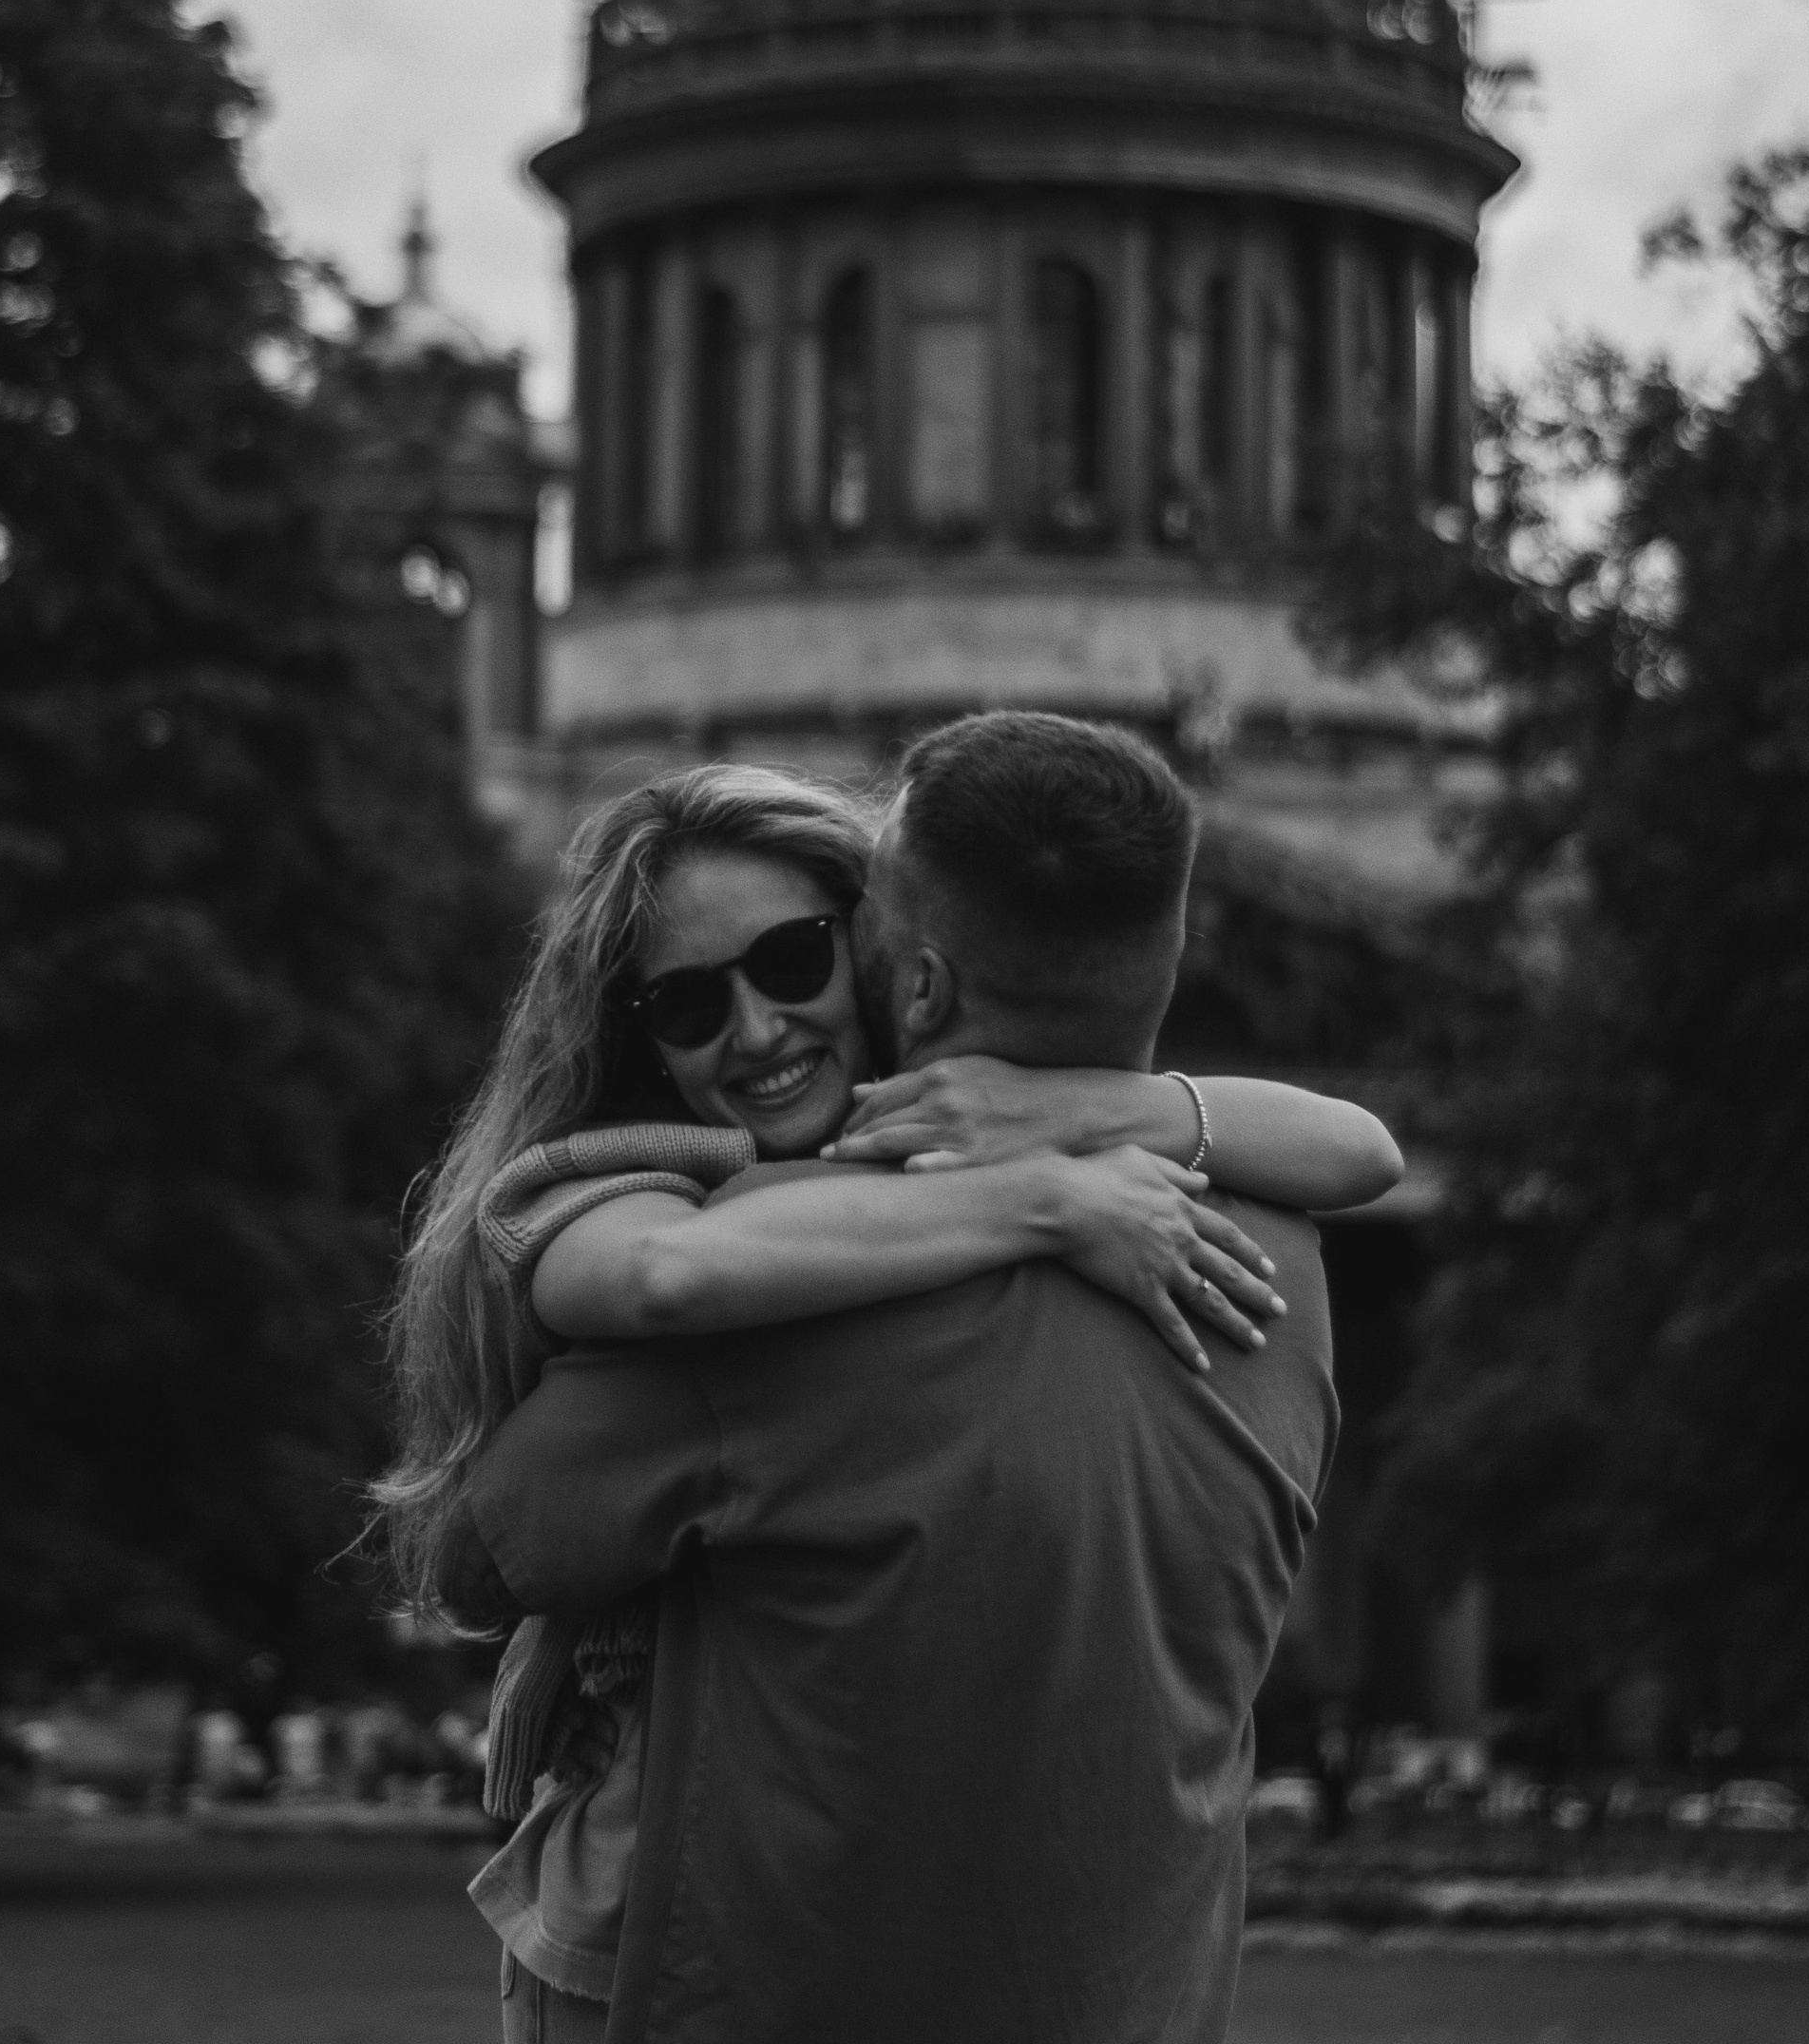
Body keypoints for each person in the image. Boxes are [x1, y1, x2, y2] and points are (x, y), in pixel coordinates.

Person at [383, 739, 1388, 2041]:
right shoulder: (1284, 1276)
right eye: (684, 1008)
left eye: (799, 959)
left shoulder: (772, 1316)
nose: (755, 1028)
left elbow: (477, 1554)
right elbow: (1362, 1150)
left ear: (893, 960)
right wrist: (1053, 1171)